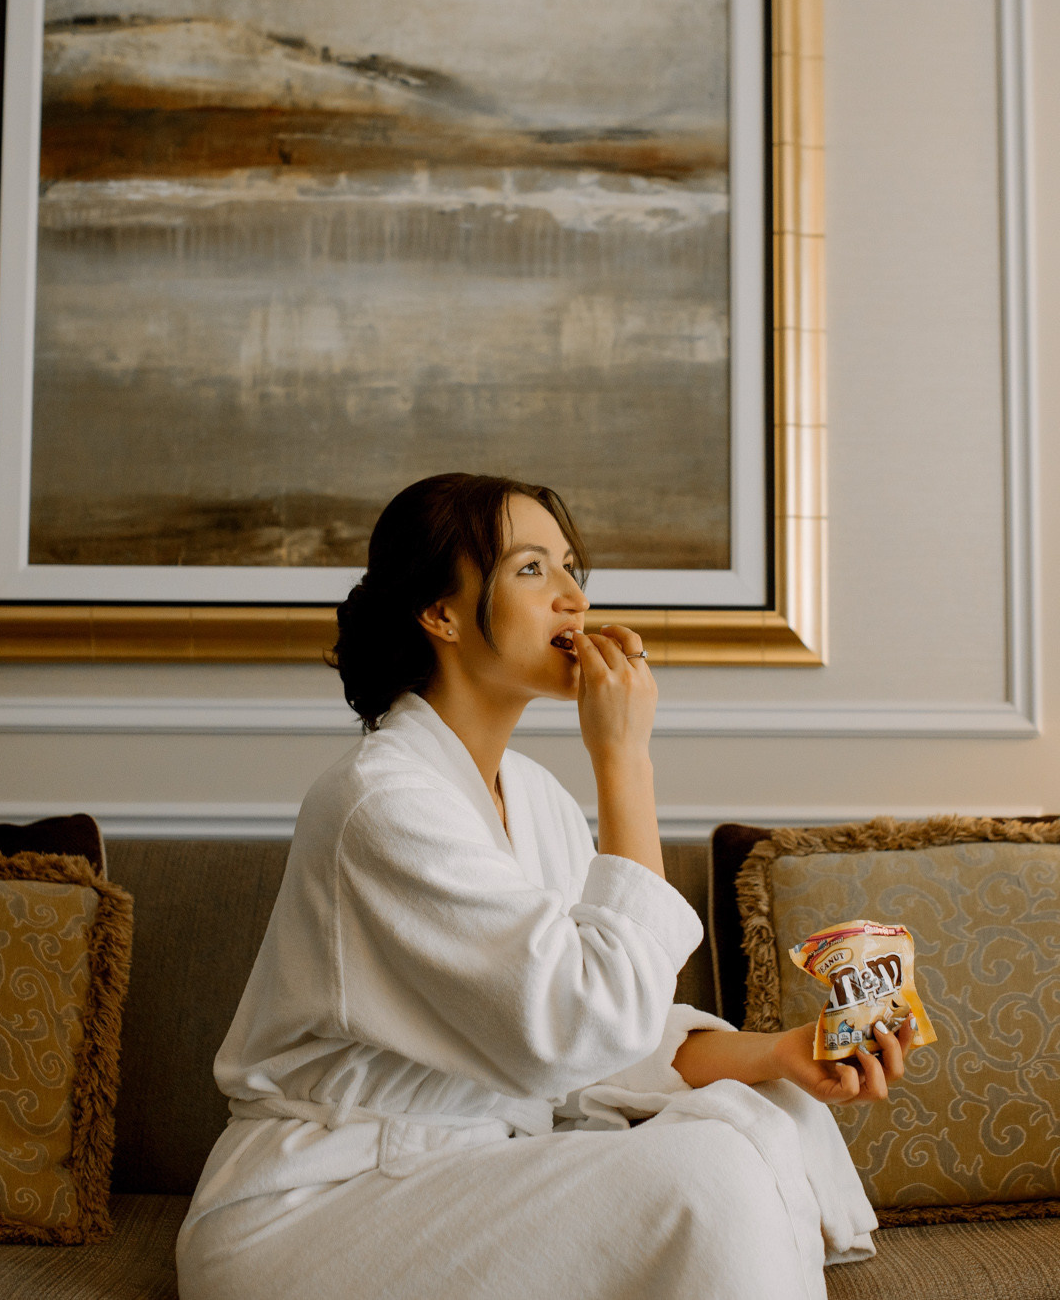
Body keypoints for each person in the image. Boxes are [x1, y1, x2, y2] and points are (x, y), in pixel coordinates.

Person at [175, 473, 912, 1300]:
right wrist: (624, 760)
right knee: (709, 1173)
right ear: (441, 613)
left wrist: (778, 1053)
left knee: (756, 1113)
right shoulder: (380, 803)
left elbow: (607, 1045)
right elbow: (582, 1022)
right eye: (531, 569)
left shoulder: (535, 798)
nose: (574, 597)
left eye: (569, 566)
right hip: (317, 1204)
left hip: (466, 1171)